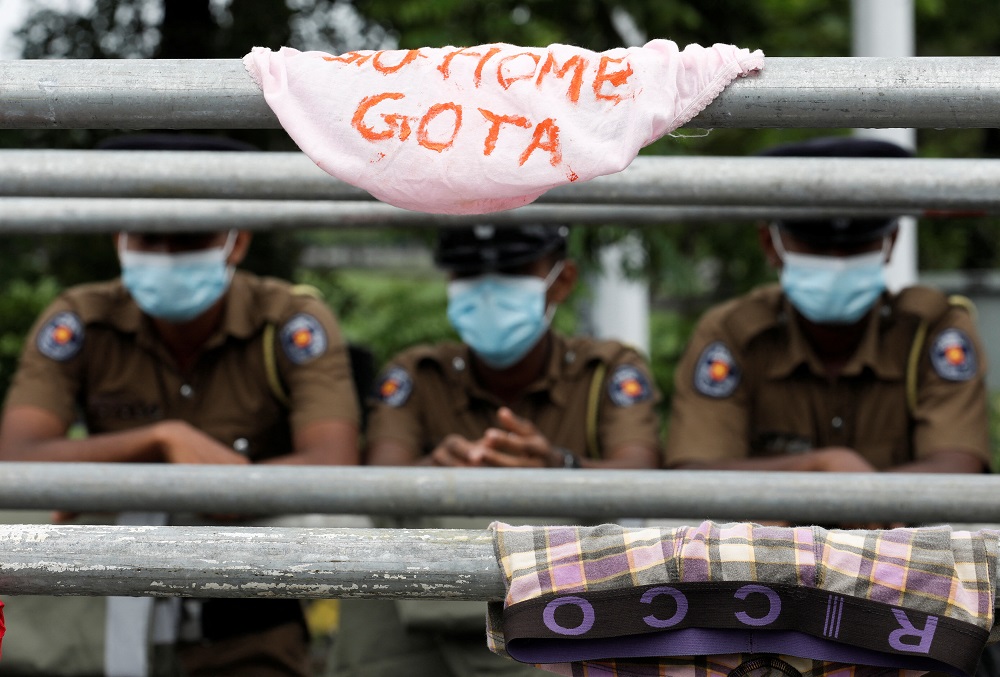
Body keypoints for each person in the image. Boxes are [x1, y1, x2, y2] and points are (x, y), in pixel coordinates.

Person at [0, 134, 360, 676]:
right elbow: (19, 459)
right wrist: (161, 439)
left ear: (236, 243)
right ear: (119, 238)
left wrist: (226, 488)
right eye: (148, 237)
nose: (166, 255)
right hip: (107, 619)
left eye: (189, 237)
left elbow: (334, 466)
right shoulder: (81, 319)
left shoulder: (287, 321)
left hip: (247, 620)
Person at [329, 223, 662, 677]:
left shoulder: (605, 371)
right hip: (425, 606)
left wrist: (559, 468)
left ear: (561, 280)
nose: (488, 290)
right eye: (468, 272)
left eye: (511, 270)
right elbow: (380, 478)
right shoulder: (418, 373)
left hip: (558, 605)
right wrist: (433, 471)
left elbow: (642, 472)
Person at [665, 137, 990, 478]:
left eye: (856, 247)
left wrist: (851, 494)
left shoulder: (930, 330)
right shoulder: (734, 334)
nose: (837, 262)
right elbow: (697, 473)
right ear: (770, 245)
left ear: (890, 242)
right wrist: (819, 466)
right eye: (815, 248)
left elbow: (957, 470)